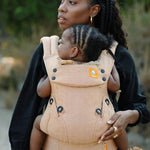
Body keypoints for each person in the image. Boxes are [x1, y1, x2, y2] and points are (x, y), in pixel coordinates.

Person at [9, 0, 150, 150]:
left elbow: (140, 108)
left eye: (72, 2)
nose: (61, 8)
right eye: (62, 1)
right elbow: (25, 112)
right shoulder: (48, 52)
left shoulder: (117, 55)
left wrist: (126, 116)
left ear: (94, 11)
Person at [30, 24, 128, 150]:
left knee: (38, 122)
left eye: (61, 43)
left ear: (73, 51)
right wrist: (110, 66)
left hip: (60, 126)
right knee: (117, 126)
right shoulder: (99, 70)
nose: (58, 44)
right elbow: (115, 86)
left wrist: (47, 75)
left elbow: (41, 92)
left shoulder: (57, 70)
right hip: (100, 127)